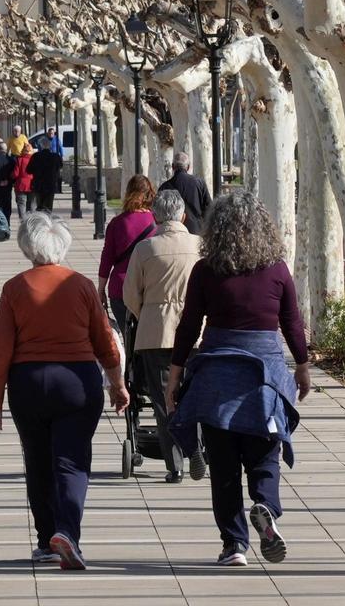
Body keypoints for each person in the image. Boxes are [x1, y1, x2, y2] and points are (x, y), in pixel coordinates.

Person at [165, 191, 311, 568]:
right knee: (265, 454)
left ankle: (234, 545)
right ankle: (265, 505)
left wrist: (176, 373)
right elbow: (291, 321)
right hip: (263, 379)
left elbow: (189, 325)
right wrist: (302, 365)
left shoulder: (205, 270)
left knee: (224, 466)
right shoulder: (277, 269)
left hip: (216, 377)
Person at [0, 211, 130, 570]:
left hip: (28, 384)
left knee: (37, 461)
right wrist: (117, 384)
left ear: (28, 247)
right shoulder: (79, 285)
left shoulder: (14, 288)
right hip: (77, 383)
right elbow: (104, 342)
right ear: (61, 245)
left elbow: (1, 350)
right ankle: (67, 532)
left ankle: (46, 537)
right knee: (72, 461)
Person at [122, 190, 205, 483]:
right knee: (194, 394)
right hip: (196, 333)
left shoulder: (145, 249)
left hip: (155, 332)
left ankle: (176, 464)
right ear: (183, 216)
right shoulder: (200, 246)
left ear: (155, 216)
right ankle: (196, 446)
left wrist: (147, 312)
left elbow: (130, 294)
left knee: (163, 399)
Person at [97, 175, 157, 330]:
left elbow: (106, 260)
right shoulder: (156, 222)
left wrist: (101, 289)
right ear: (149, 193)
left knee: (127, 335)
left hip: (120, 287)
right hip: (148, 287)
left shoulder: (117, 223)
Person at [159, 151, 212, 235]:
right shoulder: (199, 183)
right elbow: (209, 208)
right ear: (188, 167)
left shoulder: (164, 187)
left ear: (172, 167)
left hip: (170, 233)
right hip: (195, 231)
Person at [26, 137, 63, 211]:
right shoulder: (55, 156)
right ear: (50, 146)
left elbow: (28, 170)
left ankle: (41, 219)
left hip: (39, 185)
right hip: (50, 184)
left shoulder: (36, 156)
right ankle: (48, 219)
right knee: (49, 206)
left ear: (41, 145)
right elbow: (60, 166)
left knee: (40, 205)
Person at [12, 142, 34, 220]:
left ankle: (23, 222)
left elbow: (15, 174)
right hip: (32, 185)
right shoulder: (34, 159)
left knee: (21, 205)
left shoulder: (20, 160)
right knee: (32, 206)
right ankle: (31, 223)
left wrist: (11, 177)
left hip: (21, 185)